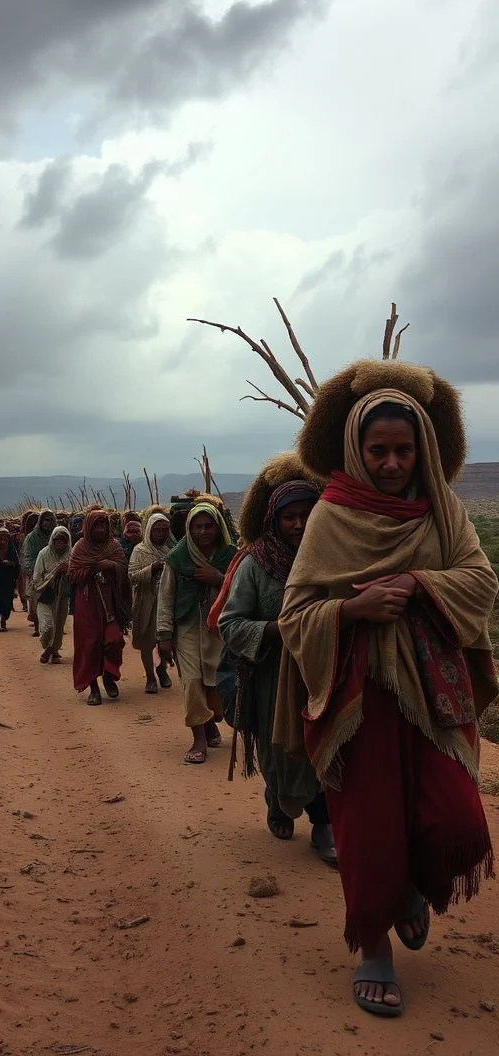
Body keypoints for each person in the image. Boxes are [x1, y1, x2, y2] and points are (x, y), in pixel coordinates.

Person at [275, 365, 499, 1018]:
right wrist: (352, 609)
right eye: (379, 450)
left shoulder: (444, 510)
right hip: (357, 698)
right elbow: (295, 615)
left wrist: (417, 585)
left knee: (454, 815)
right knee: (370, 823)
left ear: (424, 448)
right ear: (356, 449)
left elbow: (480, 580)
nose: (394, 463)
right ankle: (373, 947)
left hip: (434, 694)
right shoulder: (330, 517)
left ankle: (411, 887)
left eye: (404, 450)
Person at [211, 469, 336, 866]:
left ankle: (324, 823)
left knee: (327, 747)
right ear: (273, 519)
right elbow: (230, 624)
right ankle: (278, 800)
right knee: (281, 750)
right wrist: (280, 629)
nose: (298, 524)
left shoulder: (334, 555)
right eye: (289, 517)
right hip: (273, 677)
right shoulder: (255, 563)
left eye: (306, 513)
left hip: (325, 673)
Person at [157, 503, 237, 764]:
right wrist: (164, 635)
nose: (203, 531)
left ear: (218, 527)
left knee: (216, 684)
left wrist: (218, 578)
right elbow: (166, 597)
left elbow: (242, 591)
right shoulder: (178, 558)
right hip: (187, 627)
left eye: (209, 526)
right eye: (198, 526)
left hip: (219, 629)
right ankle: (199, 738)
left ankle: (211, 721)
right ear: (189, 529)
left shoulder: (231, 556)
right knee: (192, 681)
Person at [68, 509, 131, 706]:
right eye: (96, 525)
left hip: (110, 601)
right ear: (88, 527)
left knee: (114, 640)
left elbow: (123, 569)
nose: (100, 529)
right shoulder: (80, 548)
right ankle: (93, 687)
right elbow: (73, 574)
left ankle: (109, 676)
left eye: (103, 525)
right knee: (90, 644)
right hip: (87, 602)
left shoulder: (114, 546)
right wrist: (93, 568)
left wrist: (110, 566)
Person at [128, 513, 175, 694]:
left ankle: (162, 668)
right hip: (145, 602)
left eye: (164, 530)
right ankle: (150, 677)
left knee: (165, 638)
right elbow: (132, 576)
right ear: (149, 530)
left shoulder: (170, 550)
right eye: (157, 530)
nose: (161, 533)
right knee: (147, 643)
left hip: (166, 602)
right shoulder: (140, 551)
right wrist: (152, 568)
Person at [33, 525, 71, 664]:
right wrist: (55, 573)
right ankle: (48, 647)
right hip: (45, 595)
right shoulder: (44, 554)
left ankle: (53, 650)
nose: (59, 544)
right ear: (52, 540)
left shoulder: (71, 555)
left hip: (63, 596)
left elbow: (77, 574)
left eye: (63, 541)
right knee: (47, 625)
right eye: (57, 540)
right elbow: (37, 578)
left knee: (59, 626)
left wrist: (68, 570)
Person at [22, 510, 56, 633]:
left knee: (54, 602)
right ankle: (37, 627)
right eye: (46, 520)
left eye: (51, 520)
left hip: (54, 574)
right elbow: (28, 556)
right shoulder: (32, 537)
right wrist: (34, 572)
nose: (48, 523)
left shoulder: (56, 536)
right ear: (40, 522)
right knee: (37, 601)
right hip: (37, 574)